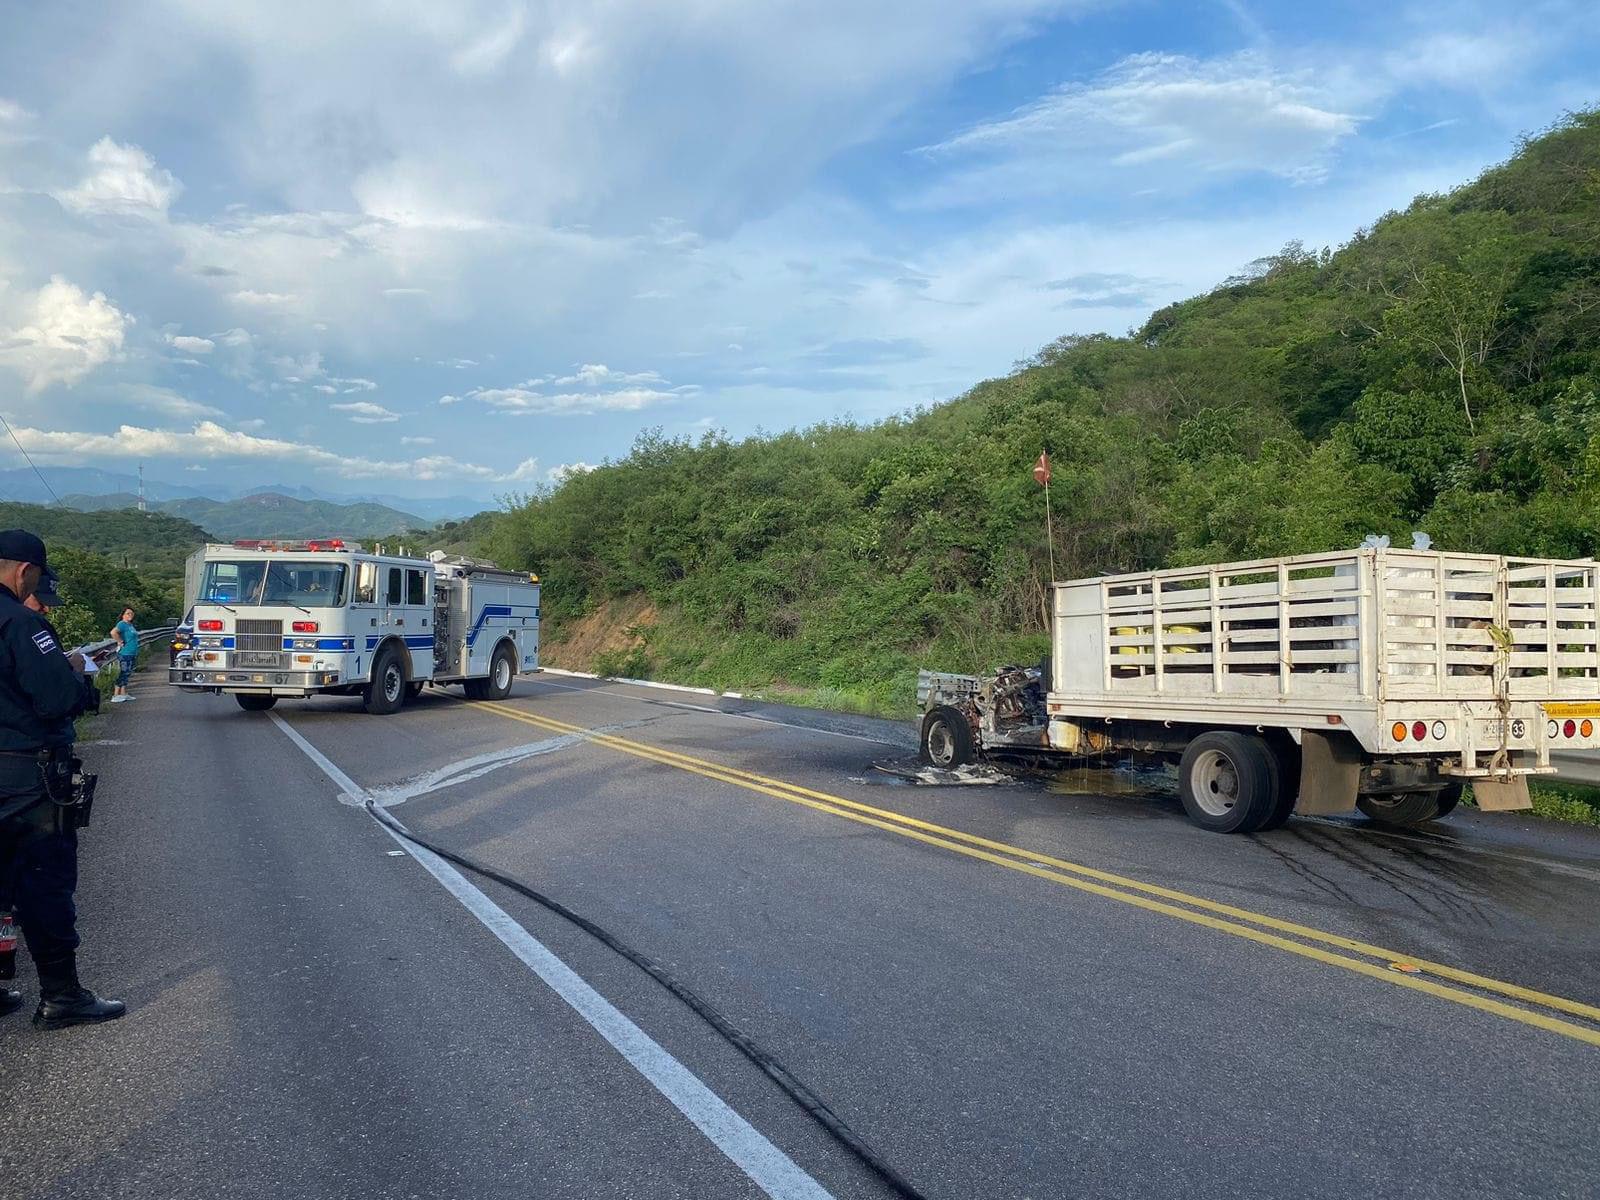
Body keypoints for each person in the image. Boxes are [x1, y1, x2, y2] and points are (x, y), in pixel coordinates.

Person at [0, 531, 124, 1028]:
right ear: (24, 571)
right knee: (42, 882)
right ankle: (61, 996)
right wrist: (74, 670)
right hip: (23, 777)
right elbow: (57, 698)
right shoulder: (22, 623)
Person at [111, 605, 139, 702]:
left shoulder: (130, 625)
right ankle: (116, 694)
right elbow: (113, 632)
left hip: (132, 652)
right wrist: (119, 641)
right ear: (123, 615)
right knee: (124, 672)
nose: (130, 615)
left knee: (127, 673)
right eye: (128, 613)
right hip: (125, 652)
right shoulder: (122, 624)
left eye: (131, 613)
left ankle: (123, 693)